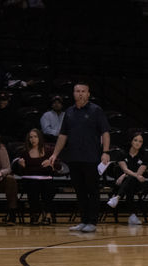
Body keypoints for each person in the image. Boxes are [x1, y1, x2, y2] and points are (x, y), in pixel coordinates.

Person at [47, 82, 110, 233]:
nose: (80, 93)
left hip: (92, 158)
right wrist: (55, 154)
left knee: (92, 190)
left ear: (88, 94)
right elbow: (63, 135)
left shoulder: (96, 110)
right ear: (73, 93)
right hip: (74, 158)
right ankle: (83, 220)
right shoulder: (69, 112)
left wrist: (106, 152)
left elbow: (105, 132)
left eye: (83, 91)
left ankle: (92, 222)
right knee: (79, 191)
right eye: (77, 91)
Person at [17, 129, 58, 225]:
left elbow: (59, 166)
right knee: (33, 186)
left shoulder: (48, 151)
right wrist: (21, 165)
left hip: (45, 178)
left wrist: (51, 163)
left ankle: (47, 214)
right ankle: (34, 213)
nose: (33, 139)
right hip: (30, 179)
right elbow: (21, 172)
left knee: (48, 186)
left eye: (35, 136)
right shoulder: (24, 152)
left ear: (40, 138)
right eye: (31, 137)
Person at [107, 132, 147, 225]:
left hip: (137, 183)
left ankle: (117, 197)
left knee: (131, 180)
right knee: (130, 185)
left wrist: (124, 175)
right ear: (131, 141)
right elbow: (124, 168)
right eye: (135, 140)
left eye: (140, 141)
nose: (138, 143)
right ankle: (133, 216)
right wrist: (125, 174)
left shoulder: (143, 157)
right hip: (123, 183)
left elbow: (139, 174)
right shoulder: (122, 154)